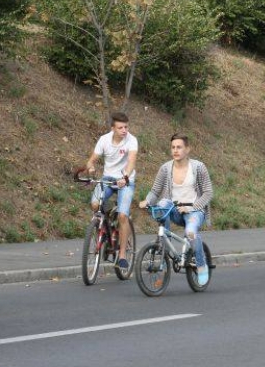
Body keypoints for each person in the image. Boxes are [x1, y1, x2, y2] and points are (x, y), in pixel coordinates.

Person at [139, 134, 213, 285]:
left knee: (191, 233)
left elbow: (208, 193)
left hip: (195, 211)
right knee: (162, 204)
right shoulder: (165, 168)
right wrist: (147, 201)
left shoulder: (199, 167)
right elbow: (155, 191)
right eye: (173, 147)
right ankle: (164, 248)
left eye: (179, 147)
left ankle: (201, 265)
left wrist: (192, 207)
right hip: (174, 210)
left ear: (187, 149)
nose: (175, 150)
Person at [85, 112, 137, 270]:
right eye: (120, 127)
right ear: (112, 128)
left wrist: (126, 176)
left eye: (126, 127)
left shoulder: (132, 140)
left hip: (125, 181)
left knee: (123, 215)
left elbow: (131, 161)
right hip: (108, 178)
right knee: (95, 204)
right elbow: (91, 160)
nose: (124, 130)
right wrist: (91, 167)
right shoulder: (104, 140)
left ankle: (121, 256)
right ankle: (104, 225)